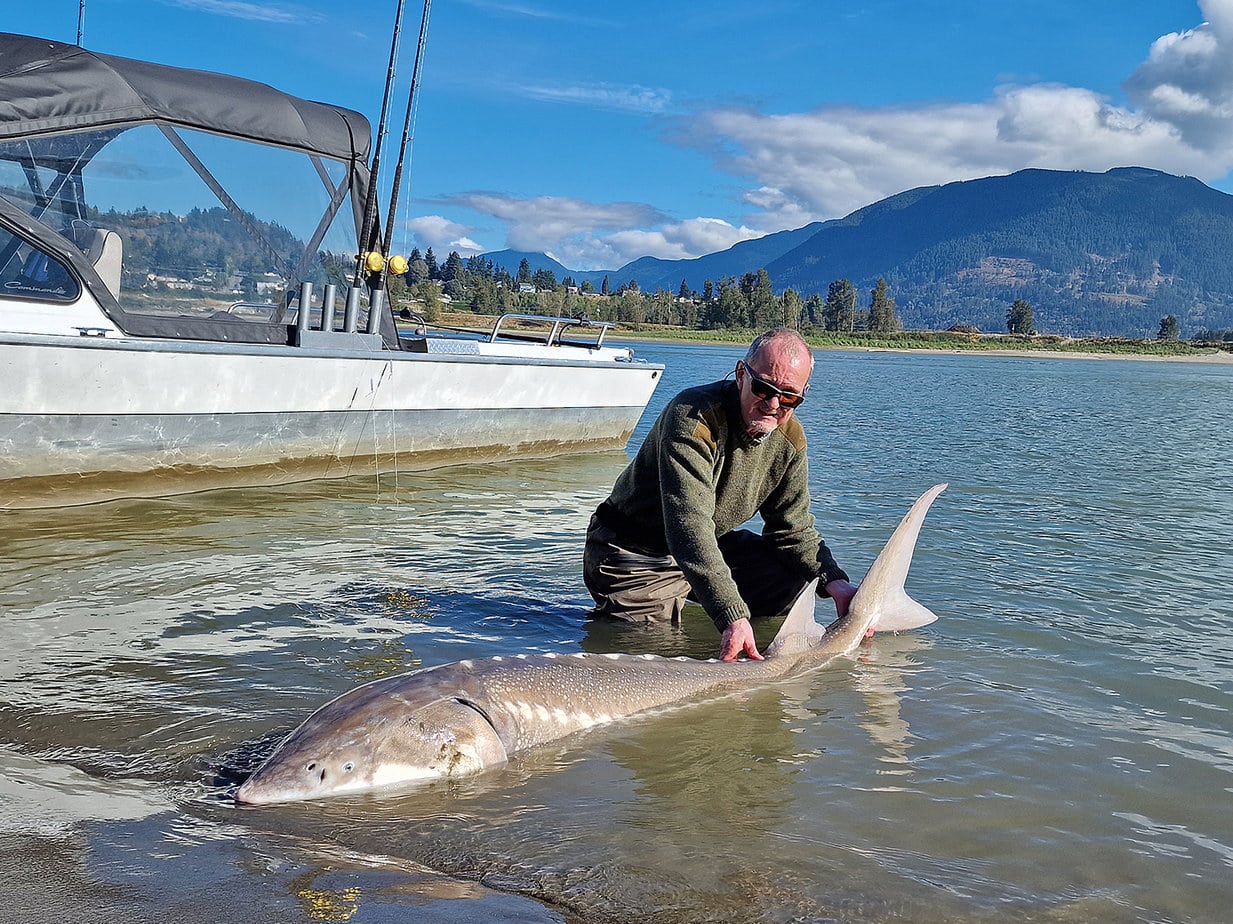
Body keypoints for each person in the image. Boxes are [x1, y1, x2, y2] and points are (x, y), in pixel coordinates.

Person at [583, 327, 858, 661]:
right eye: (763, 388)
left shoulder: (790, 440)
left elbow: (792, 528)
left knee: (796, 580)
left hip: (710, 541)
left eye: (789, 397)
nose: (773, 404)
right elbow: (689, 526)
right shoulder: (693, 417)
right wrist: (731, 614)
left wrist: (836, 582)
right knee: (652, 654)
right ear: (742, 374)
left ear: (802, 394)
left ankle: (742, 638)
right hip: (634, 551)